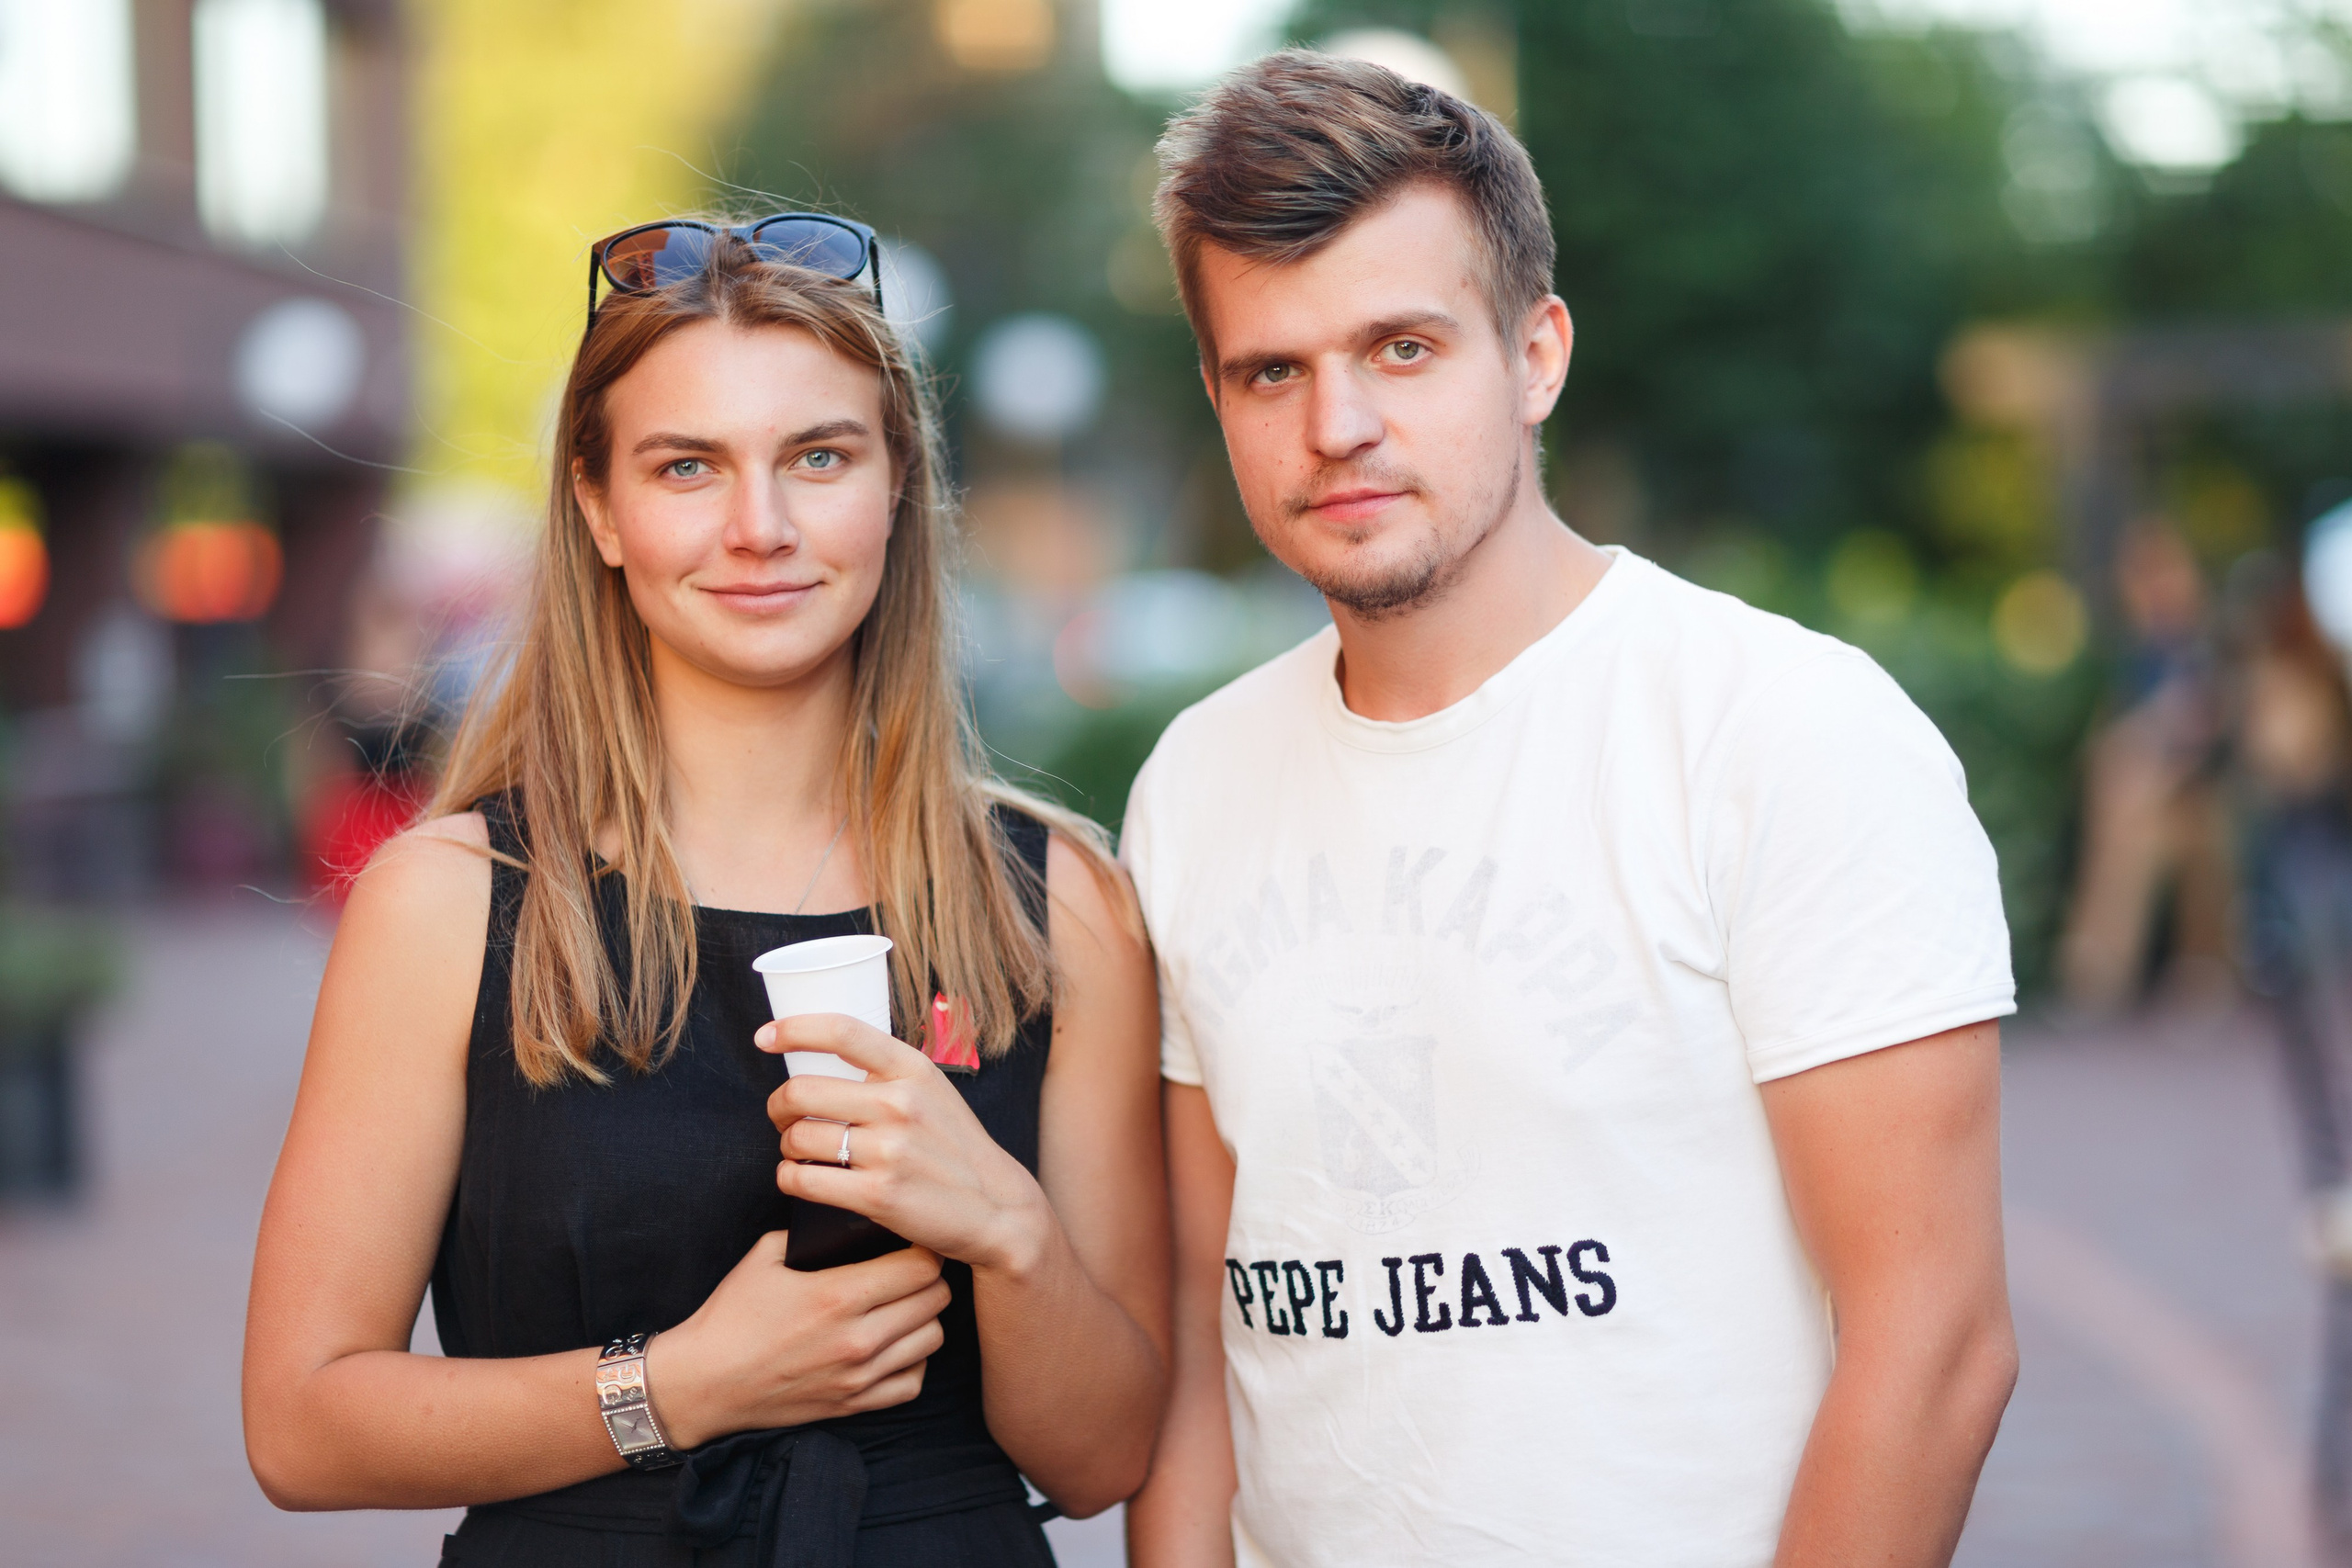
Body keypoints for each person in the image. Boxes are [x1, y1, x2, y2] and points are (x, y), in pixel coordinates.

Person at [1119, 53, 2018, 1568]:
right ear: (1218, 397)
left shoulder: (1782, 730)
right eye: (1272, 371)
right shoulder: (1195, 782)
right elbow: (1204, 1356)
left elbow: (1934, 1350)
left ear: (1534, 356)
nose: (1337, 423)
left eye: (1402, 348)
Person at [243, 219, 1170, 1566]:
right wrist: (683, 1385)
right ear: (600, 509)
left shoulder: (1058, 903)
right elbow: (301, 1427)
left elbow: (1106, 1460)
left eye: (819, 457)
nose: (760, 527)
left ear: (897, 486)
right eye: (689, 466)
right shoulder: (452, 904)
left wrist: (1010, 1233)